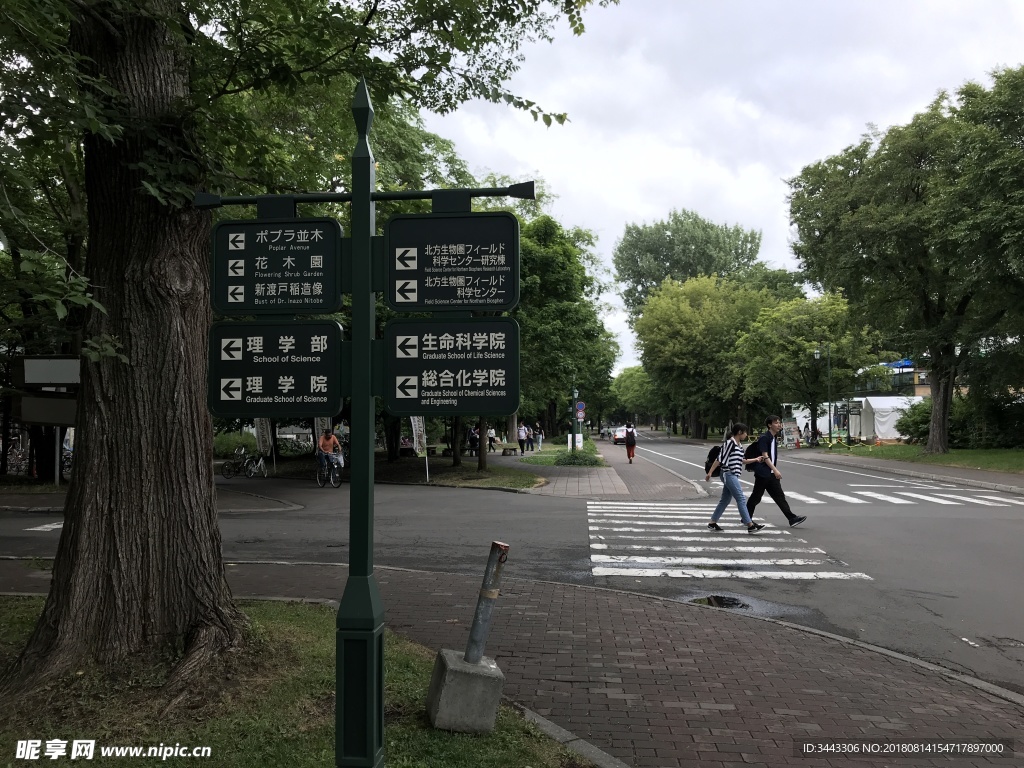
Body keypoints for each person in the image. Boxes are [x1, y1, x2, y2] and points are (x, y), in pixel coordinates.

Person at [704, 423, 766, 534]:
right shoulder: (730, 443)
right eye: (745, 432)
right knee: (741, 498)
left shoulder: (739, 445)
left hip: (733, 475)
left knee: (725, 500)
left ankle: (712, 523)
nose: (746, 434)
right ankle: (750, 525)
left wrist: (756, 459)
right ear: (739, 432)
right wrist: (710, 472)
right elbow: (720, 459)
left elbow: (742, 460)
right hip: (728, 474)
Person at [748, 415, 807, 528]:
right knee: (756, 497)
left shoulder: (773, 437)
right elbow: (765, 456)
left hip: (770, 474)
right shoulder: (764, 438)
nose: (779, 424)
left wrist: (773, 471)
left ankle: (792, 518)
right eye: (776, 423)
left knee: (779, 496)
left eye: (779, 422)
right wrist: (775, 470)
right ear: (769, 425)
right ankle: (746, 518)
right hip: (763, 474)